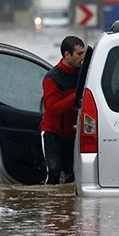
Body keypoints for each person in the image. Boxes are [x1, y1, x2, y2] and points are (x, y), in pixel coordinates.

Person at [41, 36, 86, 184]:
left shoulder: (83, 74)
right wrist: (76, 96)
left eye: (84, 53)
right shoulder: (52, 78)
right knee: (54, 172)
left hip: (74, 134)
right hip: (53, 134)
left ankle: (69, 206)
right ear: (67, 55)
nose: (82, 57)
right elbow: (53, 108)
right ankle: (52, 205)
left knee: (72, 175)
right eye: (79, 54)